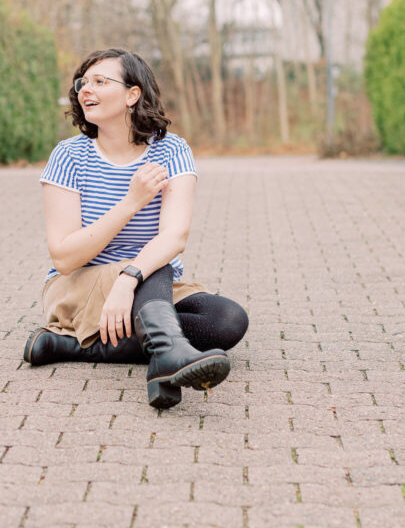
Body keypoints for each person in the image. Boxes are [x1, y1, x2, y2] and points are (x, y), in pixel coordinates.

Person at [23, 48, 249, 409]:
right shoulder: (68, 156)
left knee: (226, 320)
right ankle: (168, 353)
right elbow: (64, 257)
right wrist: (130, 202)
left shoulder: (171, 150)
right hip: (78, 286)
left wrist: (128, 279)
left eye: (100, 81)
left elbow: (175, 237)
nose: (85, 90)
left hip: (142, 287)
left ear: (133, 94)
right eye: (83, 82)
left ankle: (70, 346)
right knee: (155, 267)